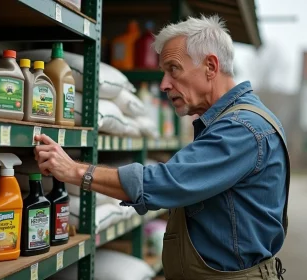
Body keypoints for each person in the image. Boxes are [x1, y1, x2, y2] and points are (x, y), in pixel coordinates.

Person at [34, 15, 289, 280]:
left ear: (210, 66)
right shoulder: (233, 122)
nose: (164, 84)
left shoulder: (242, 129)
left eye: (173, 69)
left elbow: (167, 182)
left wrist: (76, 172)